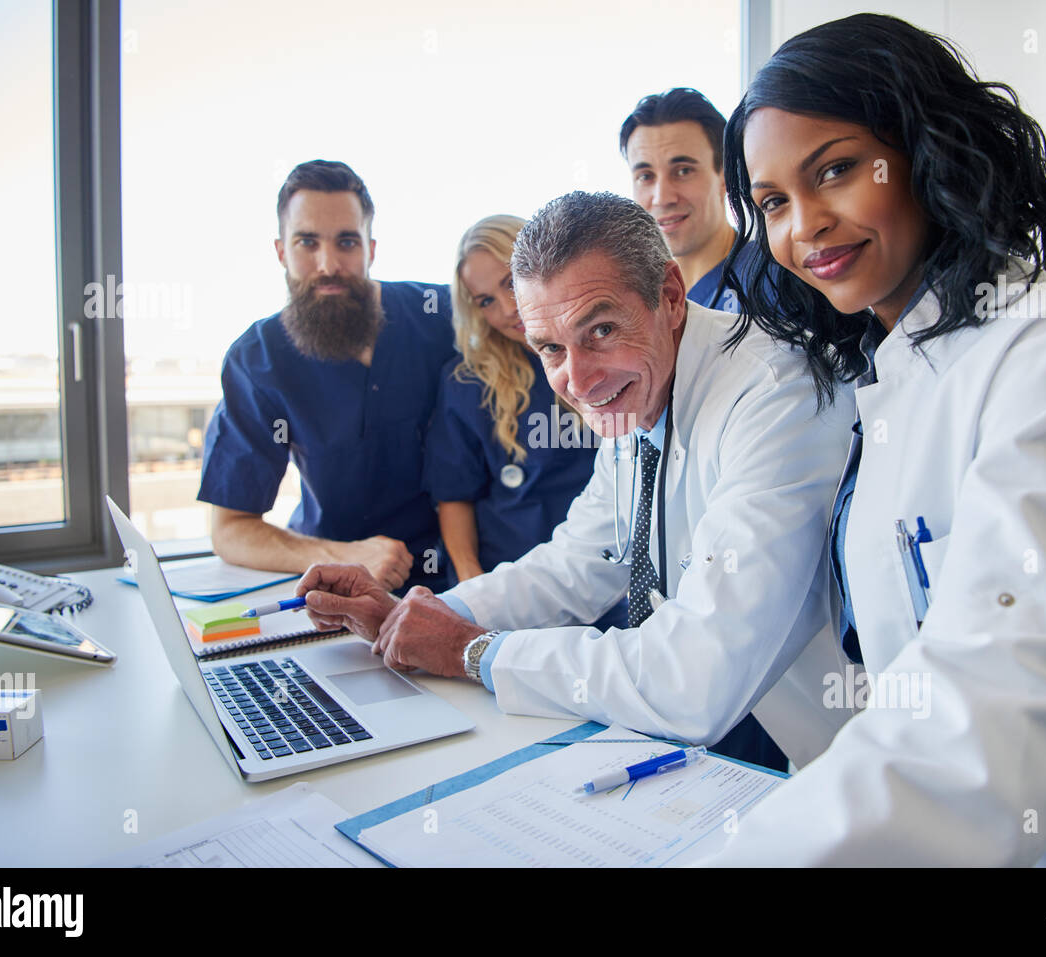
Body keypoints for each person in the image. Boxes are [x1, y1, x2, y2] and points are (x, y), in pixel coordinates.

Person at [703, 13, 1046, 865]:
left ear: (926, 148)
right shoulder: (885, 373)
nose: (803, 226)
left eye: (835, 170)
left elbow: (996, 695)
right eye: (772, 203)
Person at [295, 191, 855, 770]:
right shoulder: (634, 395)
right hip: (801, 760)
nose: (578, 382)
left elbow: (696, 678)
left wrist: (474, 652)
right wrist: (415, 616)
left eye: (602, 330)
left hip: (871, 775)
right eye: (550, 348)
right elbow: (575, 565)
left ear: (669, 294)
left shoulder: (776, 392)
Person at [198, 160, 454, 593]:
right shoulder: (258, 359)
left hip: (465, 579)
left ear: (371, 248)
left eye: (347, 242)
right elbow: (230, 529)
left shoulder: (442, 317)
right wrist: (344, 556)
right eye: (307, 242)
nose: (328, 263)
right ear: (281, 251)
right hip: (338, 584)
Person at [424, 214, 626, 629]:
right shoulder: (468, 382)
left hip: (605, 581)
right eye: (484, 301)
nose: (505, 309)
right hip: (509, 588)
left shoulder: (606, 356)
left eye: (509, 283)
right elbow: (454, 496)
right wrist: (471, 589)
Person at [620, 87, 764, 312]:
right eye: (645, 176)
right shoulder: (634, 303)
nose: (662, 198)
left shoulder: (774, 283)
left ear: (726, 175)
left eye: (683, 171)